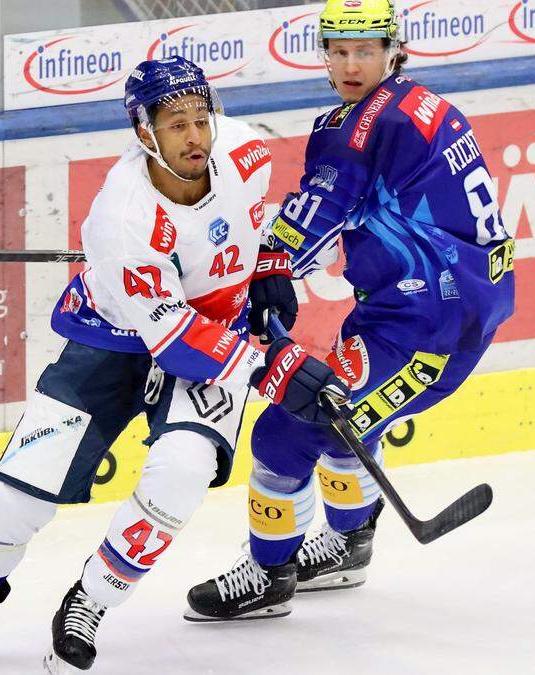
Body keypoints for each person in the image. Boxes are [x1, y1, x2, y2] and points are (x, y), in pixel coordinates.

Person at [0, 56, 346, 672]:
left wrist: (268, 268)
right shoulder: (123, 218)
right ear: (143, 131)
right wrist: (268, 366)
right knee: (20, 492)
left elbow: (249, 230)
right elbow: (175, 341)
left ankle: (91, 603)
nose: (195, 136)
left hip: (214, 330)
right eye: (176, 124)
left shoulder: (248, 154)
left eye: (201, 118)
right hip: (117, 337)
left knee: (181, 471)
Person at [184, 0, 516, 622]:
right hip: (438, 303)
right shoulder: (424, 106)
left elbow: (324, 203)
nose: (350, 63)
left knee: (285, 432)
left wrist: (265, 263)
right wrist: (270, 258)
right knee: (347, 423)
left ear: (394, 49)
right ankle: (348, 547)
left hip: (425, 323)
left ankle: (269, 574)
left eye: (365, 50)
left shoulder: (358, 126)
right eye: (338, 50)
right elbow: (362, 204)